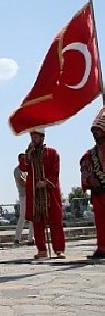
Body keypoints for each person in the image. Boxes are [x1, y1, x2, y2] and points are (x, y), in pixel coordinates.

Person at [23, 129, 65, 260]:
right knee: (37, 221)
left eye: (36, 137)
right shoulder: (28, 155)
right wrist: (28, 155)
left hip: (49, 191)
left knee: (55, 220)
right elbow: (23, 167)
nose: (34, 139)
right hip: (35, 193)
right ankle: (41, 249)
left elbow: (55, 171)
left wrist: (46, 182)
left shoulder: (52, 153)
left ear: (42, 138)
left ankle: (58, 249)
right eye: (32, 137)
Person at [79, 108, 105, 259]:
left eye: (98, 130)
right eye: (94, 131)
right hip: (98, 192)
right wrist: (89, 179)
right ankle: (102, 248)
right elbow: (84, 168)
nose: (96, 133)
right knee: (100, 222)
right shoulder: (89, 154)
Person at [14, 153, 34, 245]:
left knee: (32, 217)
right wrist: (31, 183)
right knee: (22, 216)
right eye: (22, 158)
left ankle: (31, 238)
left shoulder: (27, 170)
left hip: (31, 194)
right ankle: (17, 238)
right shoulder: (17, 170)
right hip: (23, 195)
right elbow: (22, 182)